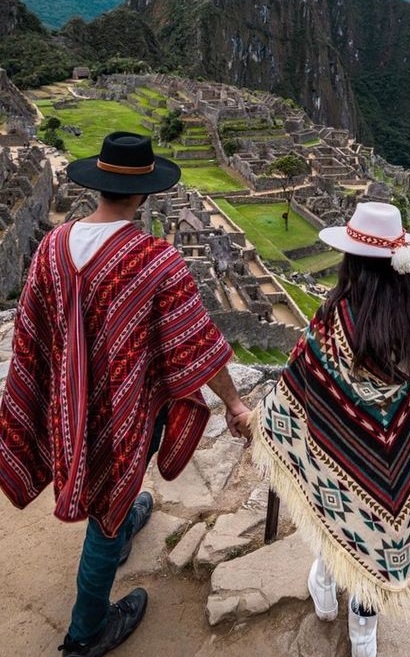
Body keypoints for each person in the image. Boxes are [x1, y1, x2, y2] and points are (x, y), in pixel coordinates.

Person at [0, 132, 250, 657]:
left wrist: (49, 390)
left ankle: (126, 513)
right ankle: (86, 632)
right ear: (144, 195)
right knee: (108, 508)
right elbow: (196, 343)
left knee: (113, 487)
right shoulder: (157, 261)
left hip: (67, 405)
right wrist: (234, 402)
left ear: (99, 185)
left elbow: (31, 331)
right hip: (124, 412)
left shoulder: (52, 246)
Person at [246, 202, 410, 657]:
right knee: (378, 529)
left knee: (343, 507)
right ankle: (363, 632)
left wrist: (260, 418)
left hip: (347, 462)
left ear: (351, 260)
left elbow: (296, 384)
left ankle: (325, 581)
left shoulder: (332, 322)